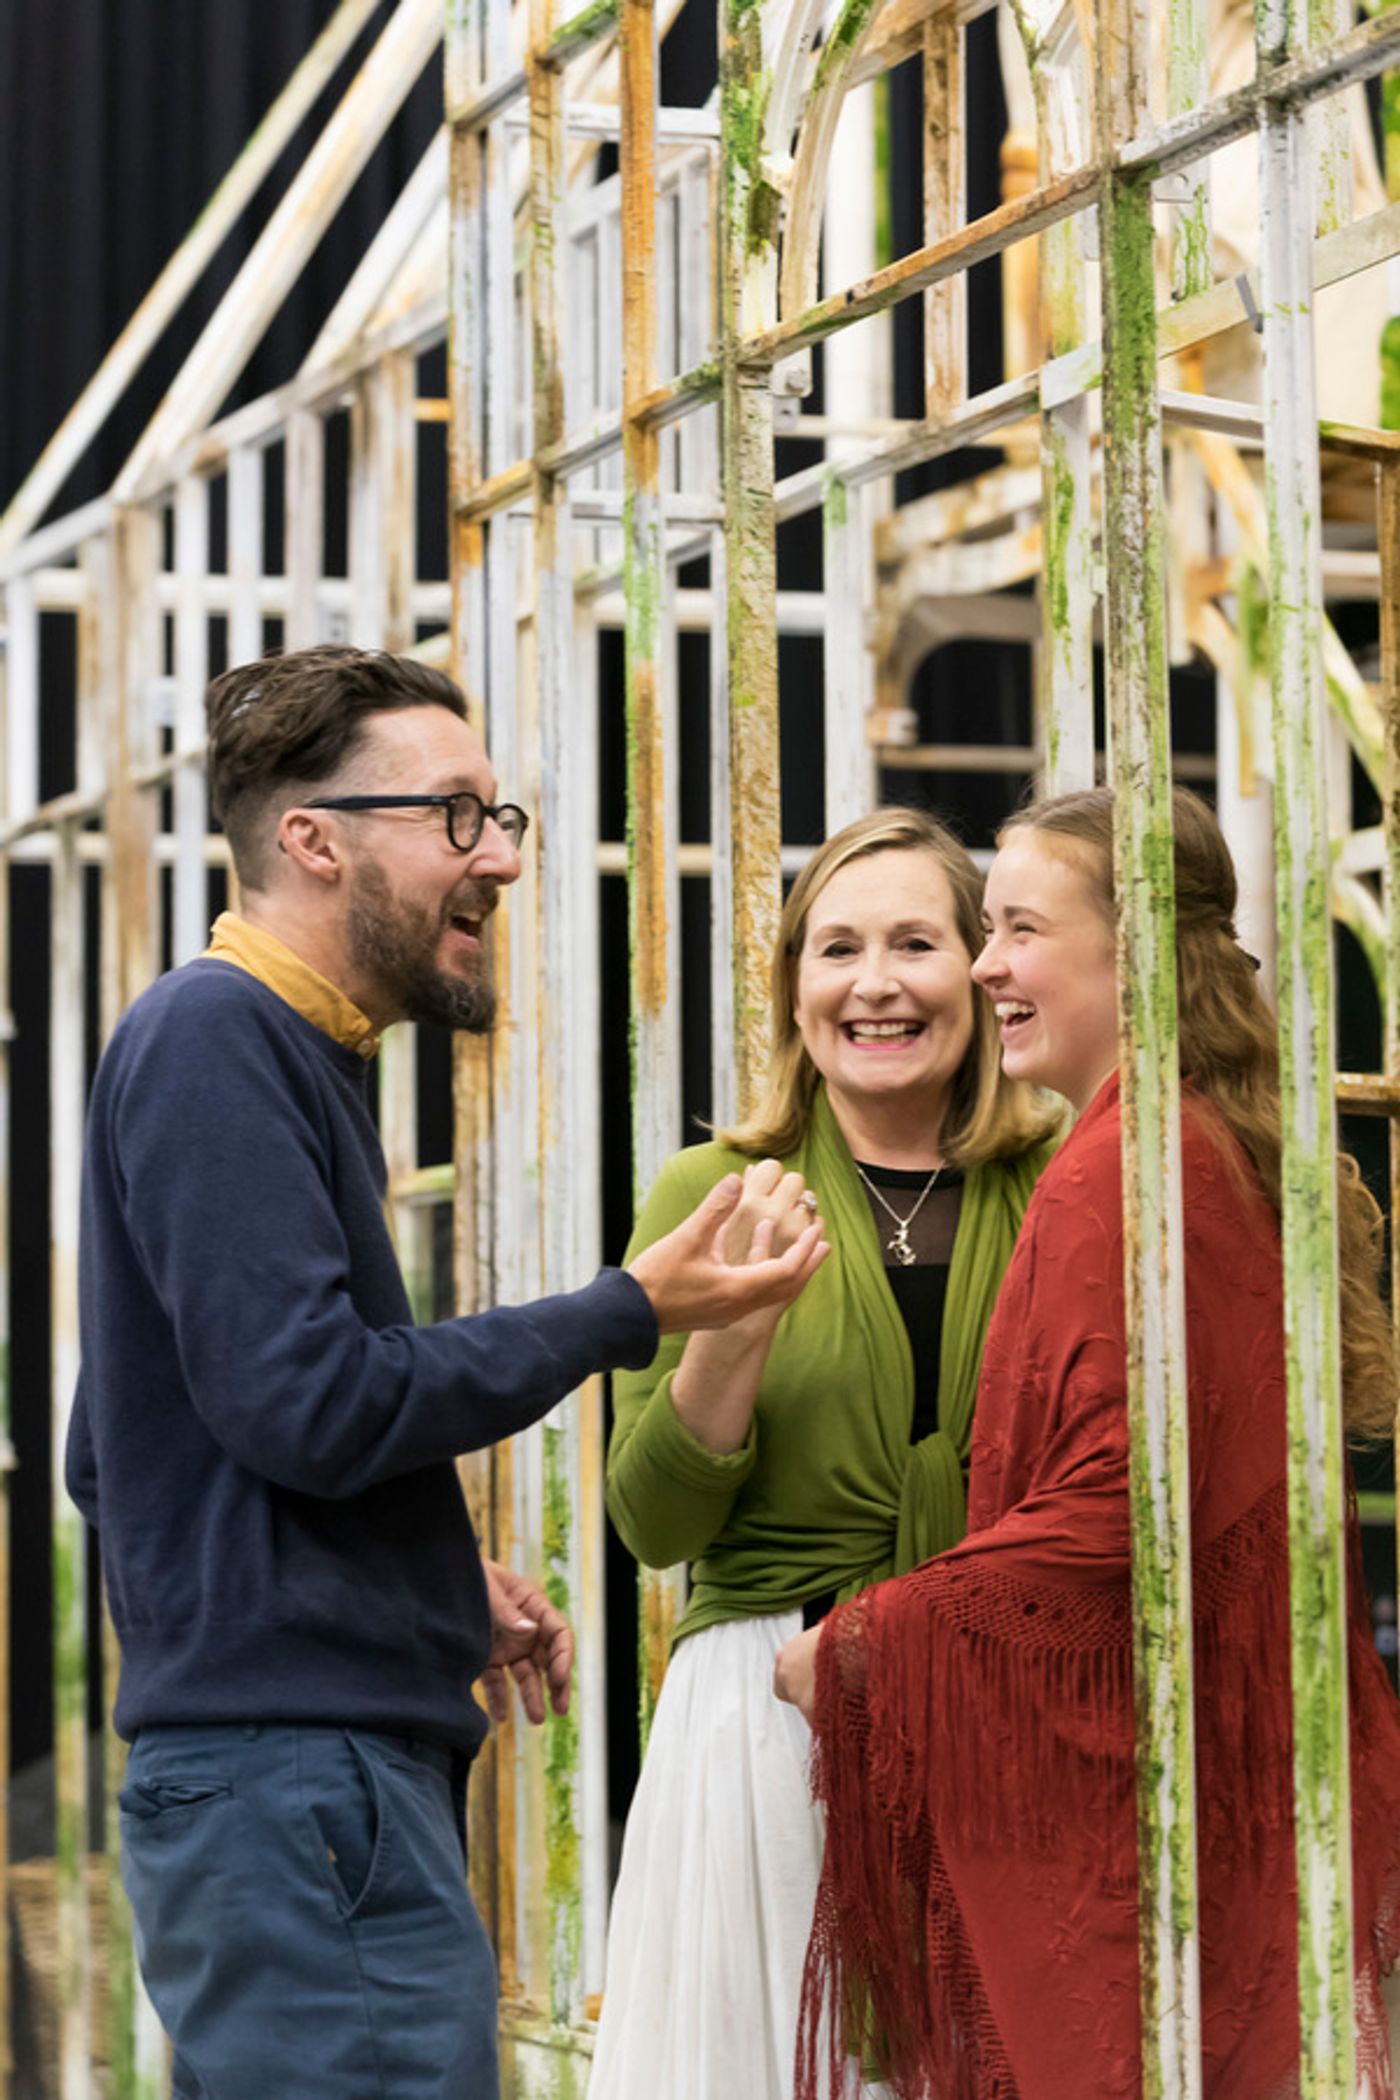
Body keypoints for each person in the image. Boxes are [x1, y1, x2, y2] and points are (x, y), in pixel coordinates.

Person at [67, 644, 830, 2100]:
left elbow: (116, 1451)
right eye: (459, 818)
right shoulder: (219, 1037)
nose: (501, 863)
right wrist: (630, 1309)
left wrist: (411, 1580)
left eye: (504, 819)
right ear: (314, 839)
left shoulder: (280, 1049)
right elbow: (302, 1404)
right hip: (302, 1791)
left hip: (292, 1792)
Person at [775, 786, 1400, 2100]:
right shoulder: (1173, 1142)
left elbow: (1131, 1505)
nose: (987, 961)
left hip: (1155, 1831)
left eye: (1017, 928)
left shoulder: (1134, 1164)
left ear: (1136, 953)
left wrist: (864, 1641)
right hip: (1216, 1805)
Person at [589, 809, 1061, 2100]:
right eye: (837, 948)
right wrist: (730, 1340)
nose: (875, 983)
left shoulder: (1064, 1184)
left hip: (1015, 1724)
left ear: (980, 967)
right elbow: (653, 1528)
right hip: (768, 1727)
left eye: (917, 941)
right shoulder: (714, 1190)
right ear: (795, 987)